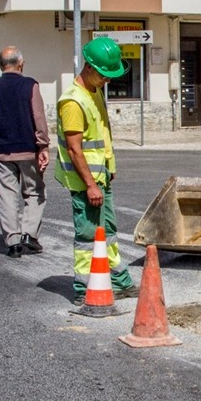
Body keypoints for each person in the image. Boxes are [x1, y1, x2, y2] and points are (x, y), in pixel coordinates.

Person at [55, 36, 137, 303]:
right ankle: (83, 289)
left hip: (100, 176)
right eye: (103, 75)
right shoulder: (73, 102)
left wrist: (110, 166)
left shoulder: (95, 91)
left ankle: (118, 280)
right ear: (88, 67)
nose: (108, 80)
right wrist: (90, 184)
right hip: (85, 182)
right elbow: (74, 149)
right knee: (88, 237)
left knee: (109, 232)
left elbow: (102, 133)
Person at [0, 46, 50, 258]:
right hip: (28, 151)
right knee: (35, 192)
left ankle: (14, 242)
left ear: (0, 66)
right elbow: (39, 119)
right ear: (21, 64)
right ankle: (30, 235)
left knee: (7, 196)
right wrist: (43, 145)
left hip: (1, 152)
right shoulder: (30, 85)